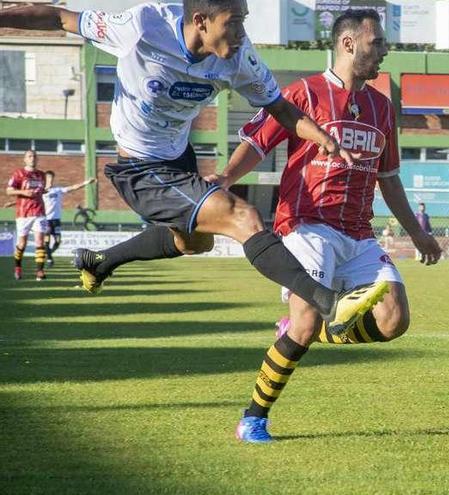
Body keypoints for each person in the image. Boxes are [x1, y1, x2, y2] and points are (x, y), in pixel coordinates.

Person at [0, 1, 386, 333]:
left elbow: (281, 109)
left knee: (195, 242)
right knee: (242, 215)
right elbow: (59, 17)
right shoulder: (142, 26)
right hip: (139, 166)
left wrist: (325, 139)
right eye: (233, 21)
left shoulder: (240, 56)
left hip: (177, 158)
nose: (241, 31)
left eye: (244, 19)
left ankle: (100, 261)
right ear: (201, 20)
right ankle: (329, 303)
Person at [214, 9, 442, 443]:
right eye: (378, 43)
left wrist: (416, 231)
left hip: (358, 232)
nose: (385, 51)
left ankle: (318, 326)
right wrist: (225, 179)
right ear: (349, 43)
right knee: (302, 327)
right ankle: (254, 418)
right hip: (305, 226)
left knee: (394, 321)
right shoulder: (303, 94)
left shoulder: (382, 107)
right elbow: (256, 142)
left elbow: (388, 178)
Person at [5, 149, 48, 281]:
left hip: (39, 211)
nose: (32, 158)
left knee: (40, 241)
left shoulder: (41, 175)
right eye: (29, 156)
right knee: (22, 243)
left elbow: (41, 191)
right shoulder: (19, 173)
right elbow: (9, 190)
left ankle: (40, 271)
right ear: (25, 159)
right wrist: (24, 193)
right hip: (23, 213)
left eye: (34, 156)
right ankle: (18, 267)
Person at [42, 171, 96, 266]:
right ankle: (49, 259)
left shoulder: (58, 190)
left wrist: (87, 182)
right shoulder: (41, 192)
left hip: (56, 220)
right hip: (46, 220)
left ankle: (48, 253)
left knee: (58, 242)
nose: (50, 181)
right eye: (48, 178)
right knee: (47, 238)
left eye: (51, 178)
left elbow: (73, 187)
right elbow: (31, 199)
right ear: (45, 179)